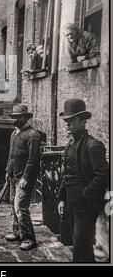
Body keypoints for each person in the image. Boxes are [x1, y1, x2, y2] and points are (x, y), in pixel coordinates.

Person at [57, 98, 108, 262]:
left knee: (81, 245)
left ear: (83, 121)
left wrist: (85, 196)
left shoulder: (93, 146)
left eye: (72, 120)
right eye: (66, 121)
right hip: (72, 203)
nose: (67, 124)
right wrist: (62, 198)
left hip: (85, 206)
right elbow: (67, 175)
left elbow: (102, 176)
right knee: (76, 243)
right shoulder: (70, 145)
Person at [5, 104, 41, 251]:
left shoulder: (33, 135)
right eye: (14, 117)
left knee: (21, 207)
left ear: (25, 117)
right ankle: (18, 232)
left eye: (18, 117)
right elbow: (11, 155)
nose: (15, 119)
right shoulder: (14, 134)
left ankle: (29, 238)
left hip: (24, 177)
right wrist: (8, 170)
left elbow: (33, 160)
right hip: (13, 175)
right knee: (13, 204)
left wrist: (26, 177)